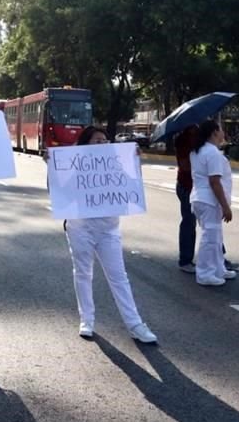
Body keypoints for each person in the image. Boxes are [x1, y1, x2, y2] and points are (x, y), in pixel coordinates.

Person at [46, 127, 157, 343]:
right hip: (80, 228)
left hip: (108, 229)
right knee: (83, 273)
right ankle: (86, 320)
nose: (103, 144)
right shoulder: (73, 163)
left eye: (105, 140)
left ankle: (135, 324)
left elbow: (130, 185)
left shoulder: (114, 161)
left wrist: (134, 161)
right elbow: (59, 192)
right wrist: (51, 165)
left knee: (119, 277)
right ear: (85, 143)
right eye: (98, 140)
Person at [189, 120, 237, 286]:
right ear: (215, 132)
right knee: (210, 237)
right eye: (221, 129)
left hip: (201, 198)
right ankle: (205, 273)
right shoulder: (212, 153)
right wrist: (225, 206)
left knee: (215, 236)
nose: (223, 133)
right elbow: (214, 182)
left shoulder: (198, 151)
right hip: (210, 200)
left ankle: (218, 269)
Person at [174, 125, 198, 273]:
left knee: (212, 223)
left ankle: (219, 256)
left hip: (200, 186)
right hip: (187, 186)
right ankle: (185, 260)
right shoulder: (182, 140)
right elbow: (185, 166)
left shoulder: (201, 137)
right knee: (189, 222)